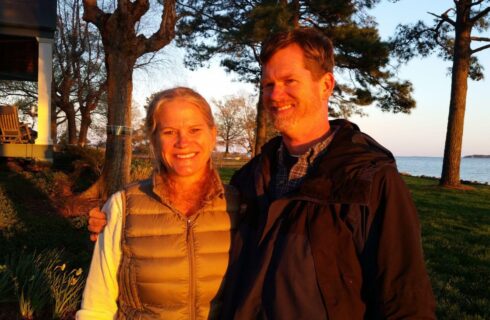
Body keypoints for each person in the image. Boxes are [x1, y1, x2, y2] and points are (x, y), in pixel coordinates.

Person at [89, 28, 436, 319]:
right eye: (268, 84)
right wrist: (114, 219)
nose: (275, 95)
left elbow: (404, 296)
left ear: (326, 84)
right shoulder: (251, 180)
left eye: (289, 81)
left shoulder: (369, 180)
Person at [77, 87, 241, 319]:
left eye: (195, 129)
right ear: (154, 139)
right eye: (170, 132)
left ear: (213, 134)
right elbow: (97, 305)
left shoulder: (239, 205)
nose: (183, 142)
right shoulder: (123, 206)